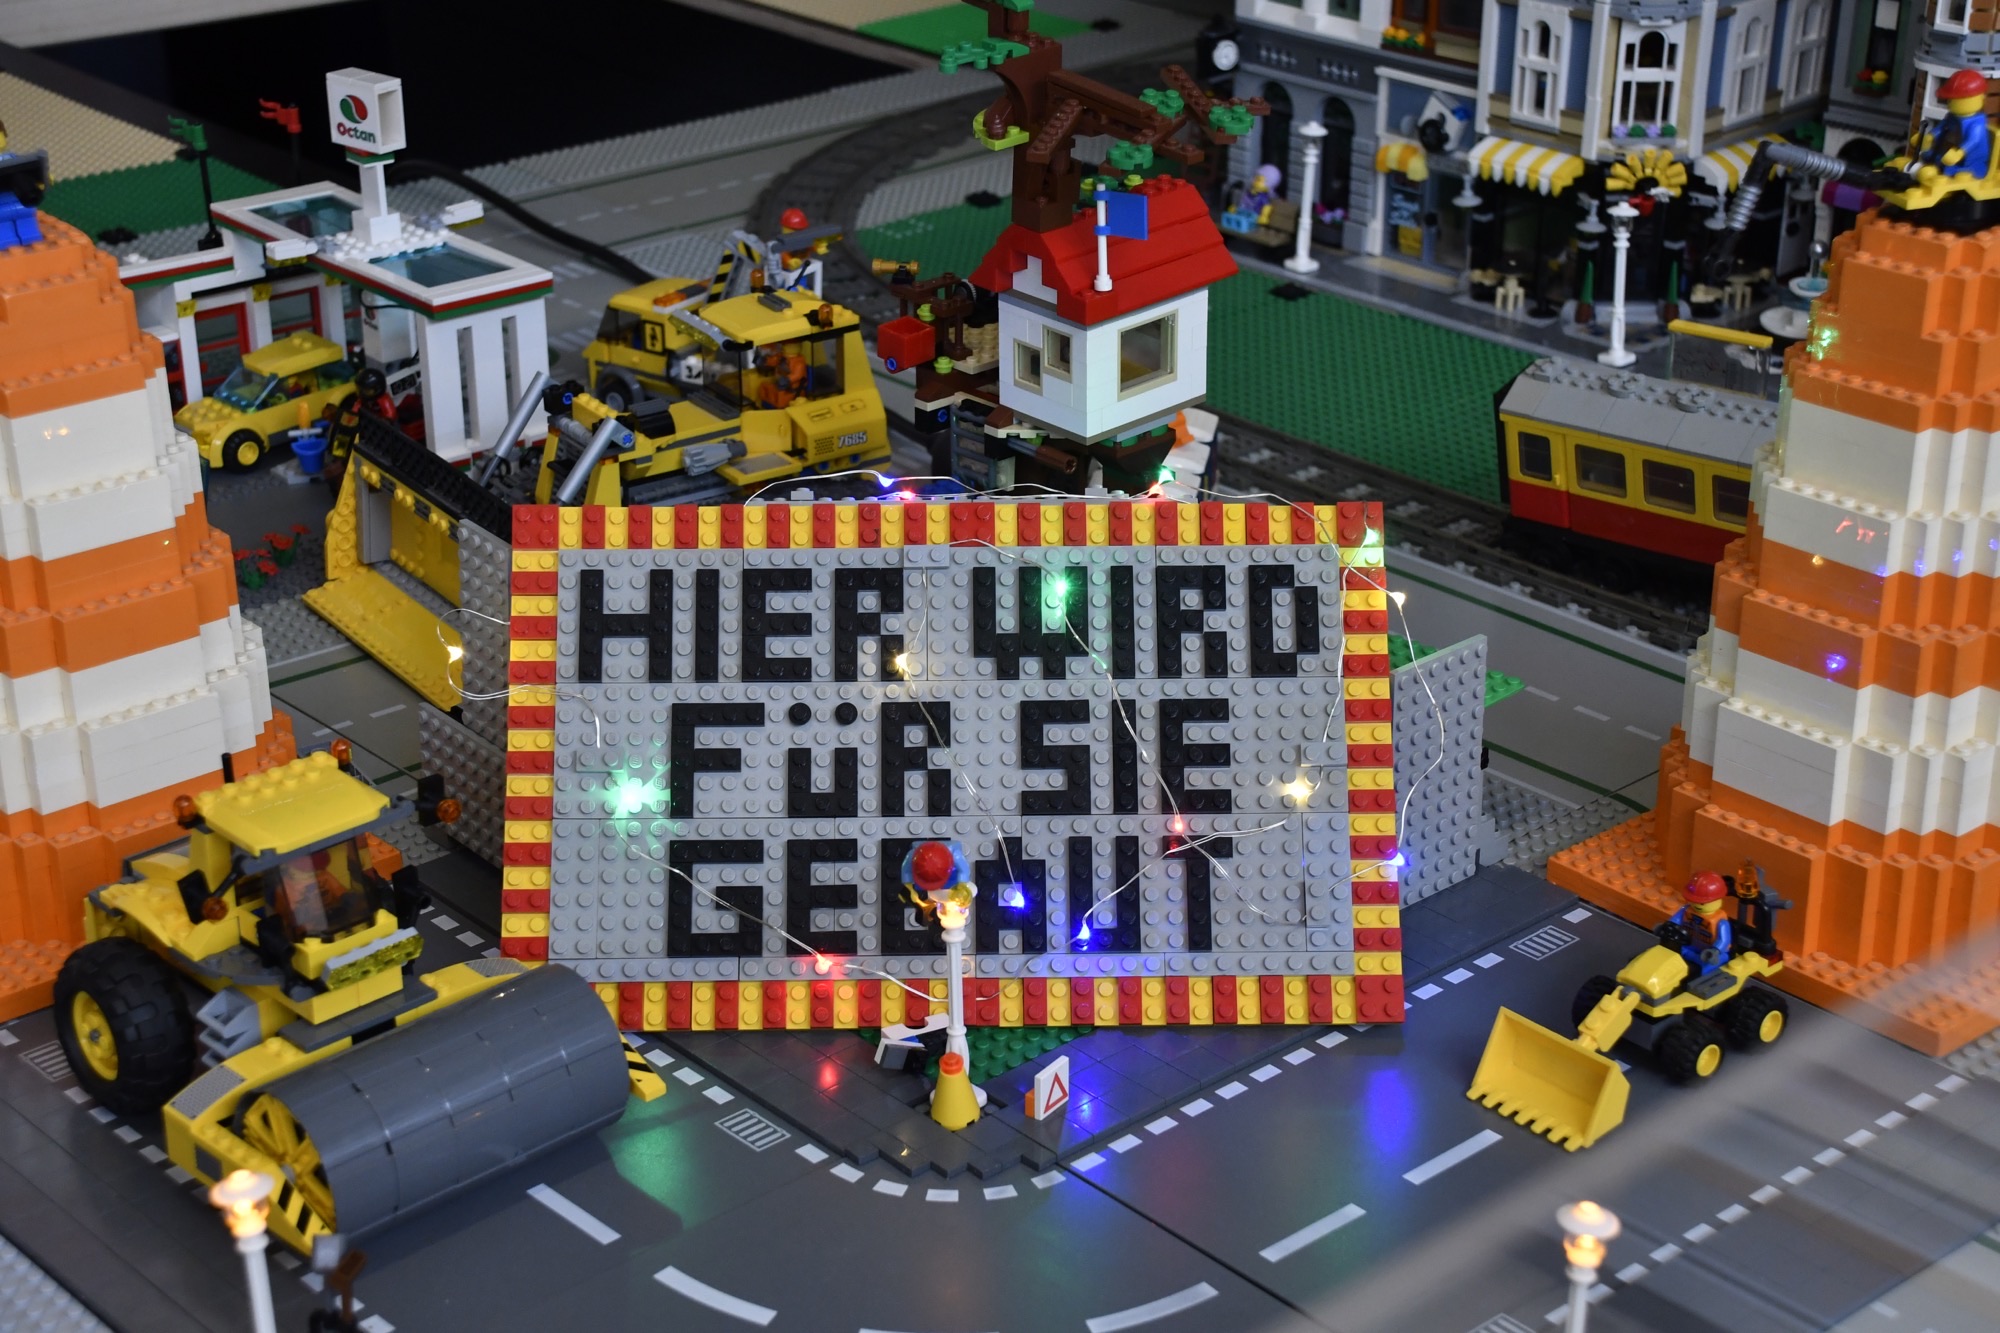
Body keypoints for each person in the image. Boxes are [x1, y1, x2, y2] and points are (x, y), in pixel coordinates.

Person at [1918, 69, 1992, 180]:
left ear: (1980, 98)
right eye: (1949, 100)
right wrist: (1930, 137)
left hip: (1971, 163)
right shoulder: (1952, 117)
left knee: (1946, 169)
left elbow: (1973, 140)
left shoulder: (1977, 123)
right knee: (1929, 157)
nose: (1950, 103)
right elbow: (1942, 128)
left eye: (1955, 100)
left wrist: (1959, 153)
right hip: (1948, 153)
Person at [1657, 871, 1734, 978]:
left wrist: (1715, 950)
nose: (1697, 905)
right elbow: (1674, 922)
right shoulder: (1686, 910)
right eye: (1694, 901)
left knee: (1700, 971)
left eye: (1702, 903)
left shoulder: (1721, 922)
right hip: (1688, 947)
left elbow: (1723, 940)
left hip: (1708, 954)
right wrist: (1665, 927)